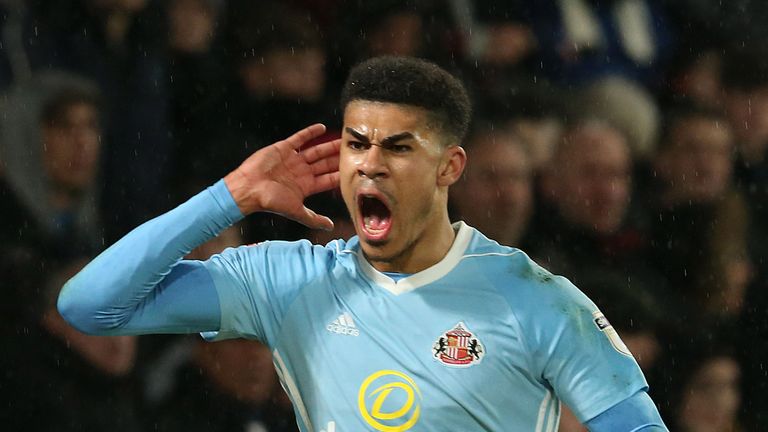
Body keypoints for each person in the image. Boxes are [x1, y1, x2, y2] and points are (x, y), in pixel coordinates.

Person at [58, 56, 667, 431]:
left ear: (450, 167)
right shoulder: (287, 280)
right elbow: (91, 306)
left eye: (398, 147)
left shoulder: (536, 300)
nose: (370, 166)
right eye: (356, 144)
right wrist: (229, 196)